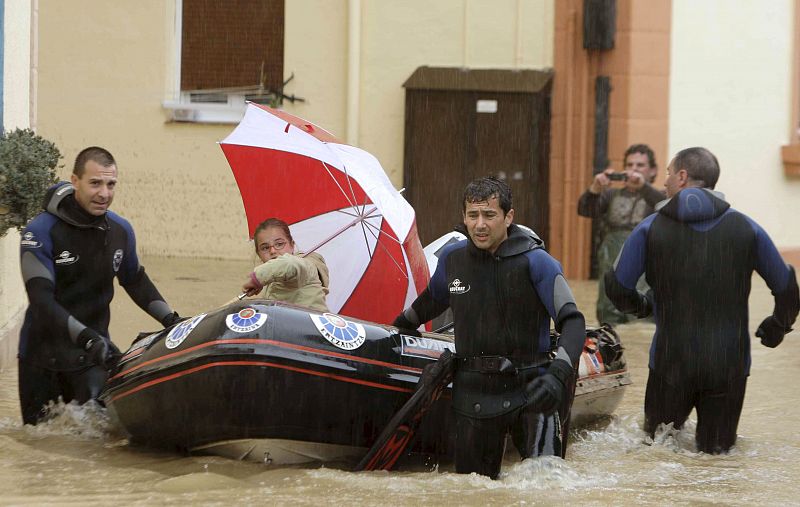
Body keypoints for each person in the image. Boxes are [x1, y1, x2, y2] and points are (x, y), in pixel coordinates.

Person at [605, 147, 799, 454]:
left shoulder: (650, 228)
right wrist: (778, 325)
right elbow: (787, 287)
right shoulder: (746, 228)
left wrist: (642, 306)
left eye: (669, 173)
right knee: (718, 462)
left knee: (656, 456)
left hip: (670, 364)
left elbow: (616, 286)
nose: (665, 181)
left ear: (682, 177)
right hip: (728, 366)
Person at [392, 176, 586, 479]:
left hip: (532, 393)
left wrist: (559, 374)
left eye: (489, 215)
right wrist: (395, 331)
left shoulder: (539, 263)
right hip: (474, 396)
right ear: (463, 217)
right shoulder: (452, 261)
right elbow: (426, 305)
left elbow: (573, 321)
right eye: (473, 215)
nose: (480, 224)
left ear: (508, 217)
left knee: (547, 491)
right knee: (472, 493)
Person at [18, 146, 182, 425]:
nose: (104, 193)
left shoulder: (121, 231)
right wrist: (89, 338)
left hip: (92, 359)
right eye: (95, 183)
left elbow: (135, 279)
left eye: (111, 184)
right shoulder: (40, 231)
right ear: (75, 181)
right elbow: (41, 301)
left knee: (98, 444)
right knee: (38, 446)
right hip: (41, 359)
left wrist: (173, 321)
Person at [577, 144, 664, 325]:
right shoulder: (611, 195)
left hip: (644, 262)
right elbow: (585, 209)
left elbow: (666, 206)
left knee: (640, 311)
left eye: (640, 165)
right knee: (609, 309)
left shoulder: (657, 196)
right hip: (611, 259)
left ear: (652, 170)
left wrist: (643, 187)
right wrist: (594, 189)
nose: (634, 170)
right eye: (630, 165)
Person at [241, 217, 330, 312]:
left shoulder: (305, 265)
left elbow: (288, 263)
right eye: (265, 248)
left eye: (279, 244)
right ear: (259, 254)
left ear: (292, 245)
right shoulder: (270, 278)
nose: (273, 251)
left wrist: (257, 278)